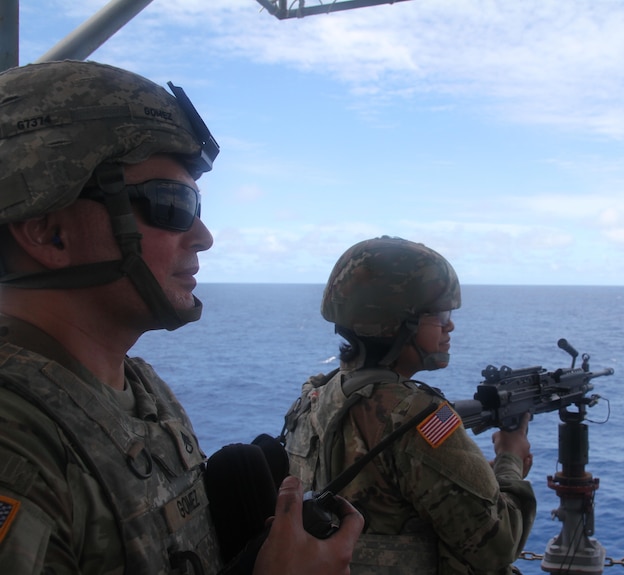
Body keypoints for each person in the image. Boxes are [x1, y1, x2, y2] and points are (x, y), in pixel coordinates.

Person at [0, 60, 362, 574]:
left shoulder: (141, 389)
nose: (203, 237)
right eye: (172, 205)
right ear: (48, 231)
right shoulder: (16, 443)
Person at [284, 236, 537, 574]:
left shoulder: (314, 397)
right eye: (438, 315)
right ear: (397, 323)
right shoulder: (416, 418)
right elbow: (497, 545)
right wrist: (510, 459)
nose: (450, 325)